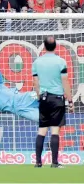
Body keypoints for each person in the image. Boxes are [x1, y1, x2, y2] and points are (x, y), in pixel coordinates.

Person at [32, 36, 73, 168]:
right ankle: (54, 162)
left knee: (42, 130)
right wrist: (70, 100)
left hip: (44, 98)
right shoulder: (61, 62)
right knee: (55, 130)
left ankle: (38, 162)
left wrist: (39, 96)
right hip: (57, 99)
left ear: (44, 47)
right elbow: (65, 81)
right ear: (55, 46)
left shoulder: (37, 62)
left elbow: (35, 82)